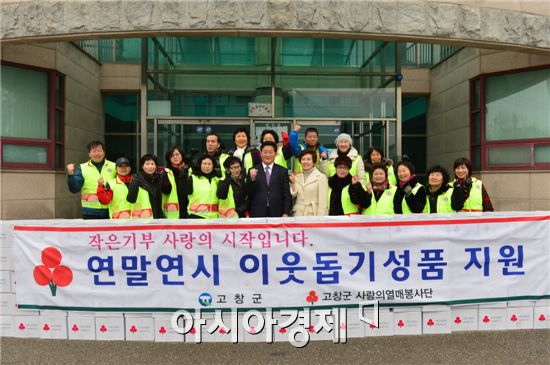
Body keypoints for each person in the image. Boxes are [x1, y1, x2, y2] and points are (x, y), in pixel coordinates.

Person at [67, 140, 116, 219]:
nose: (97, 154)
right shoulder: (82, 168)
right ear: (89, 154)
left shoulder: (114, 166)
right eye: (94, 151)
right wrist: (70, 174)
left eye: (99, 151)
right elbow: (74, 189)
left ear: (104, 152)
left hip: (111, 210)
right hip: (90, 212)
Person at [246, 141, 291, 218]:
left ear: (275, 154)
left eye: (270, 152)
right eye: (265, 152)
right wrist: (252, 178)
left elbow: (286, 194)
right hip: (257, 212)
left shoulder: (283, 171)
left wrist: (286, 212)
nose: (267, 155)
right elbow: (248, 193)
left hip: (277, 212)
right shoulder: (252, 170)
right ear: (260, 153)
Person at [126, 154, 172, 219]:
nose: (150, 167)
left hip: (158, 216)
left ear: (156, 166)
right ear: (142, 166)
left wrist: (165, 179)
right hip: (142, 218)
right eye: (147, 164)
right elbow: (131, 199)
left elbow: (167, 192)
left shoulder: (158, 178)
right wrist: (134, 182)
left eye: (152, 164)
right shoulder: (137, 178)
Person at [289, 150, 328, 216]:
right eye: (303, 159)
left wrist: (321, 219)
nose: (305, 162)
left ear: (314, 162)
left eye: (308, 159)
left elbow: (323, 203)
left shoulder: (321, 177)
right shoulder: (297, 176)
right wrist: (292, 183)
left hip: (313, 215)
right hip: (298, 214)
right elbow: (293, 195)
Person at [165, 146, 189, 218]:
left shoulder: (190, 170)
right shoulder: (166, 172)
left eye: (177, 154)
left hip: (190, 207)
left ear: (182, 155)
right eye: (172, 156)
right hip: (174, 209)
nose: (175, 157)